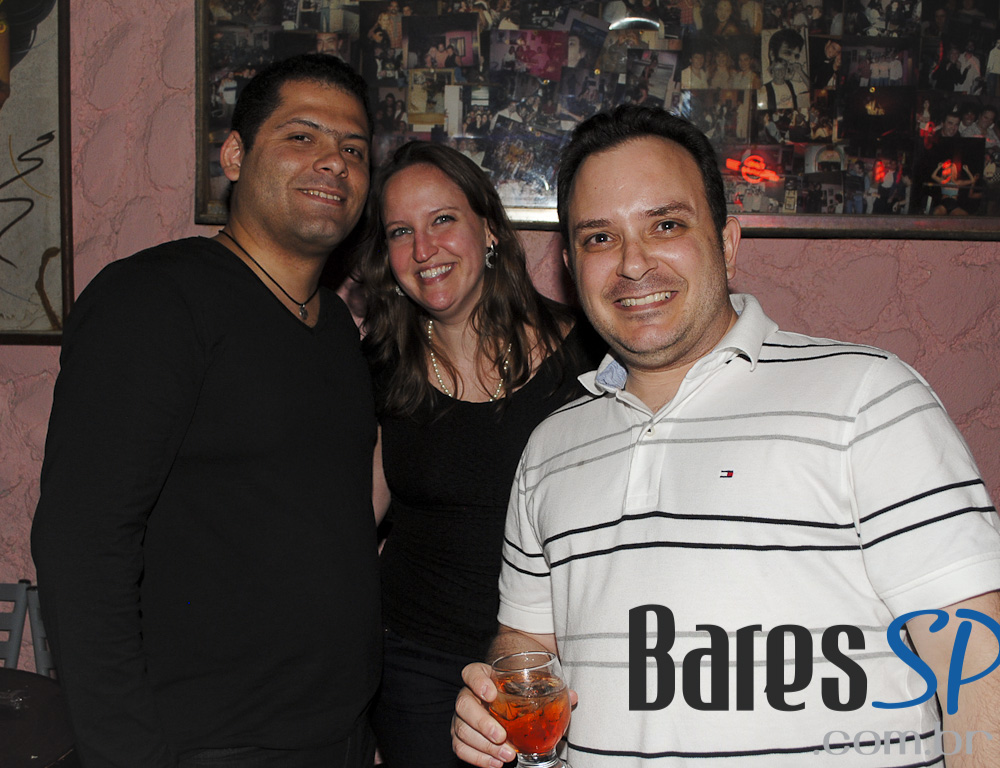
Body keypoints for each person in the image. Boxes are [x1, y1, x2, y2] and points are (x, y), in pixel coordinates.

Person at [452, 105, 1000, 767]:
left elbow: (979, 665)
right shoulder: (548, 448)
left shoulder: (868, 398)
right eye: (599, 238)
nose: (633, 264)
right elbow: (527, 642)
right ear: (571, 264)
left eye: (666, 225)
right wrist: (497, 699)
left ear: (728, 242)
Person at [31, 54, 381, 768]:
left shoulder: (336, 332)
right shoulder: (155, 301)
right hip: (206, 744)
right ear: (234, 157)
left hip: (337, 735)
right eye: (302, 136)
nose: (334, 162)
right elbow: (82, 544)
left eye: (353, 149)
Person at [358, 142, 602, 768]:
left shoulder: (590, 356)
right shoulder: (380, 365)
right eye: (400, 232)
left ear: (489, 228)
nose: (423, 249)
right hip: (416, 664)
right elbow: (353, 520)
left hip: (554, 664)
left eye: (443, 219)